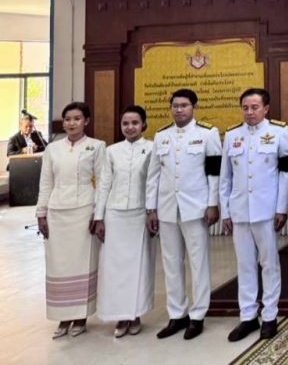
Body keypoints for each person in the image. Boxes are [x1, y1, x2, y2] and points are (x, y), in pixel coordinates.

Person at [145, 88, 223, 341]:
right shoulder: (161, 136)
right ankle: (177, 314)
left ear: (194, 107)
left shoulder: (207, 133)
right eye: (175, 106)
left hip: (195, 208)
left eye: (184, 105)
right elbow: (153, 175)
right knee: (171, 263)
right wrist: (151, 208)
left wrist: (213, 204)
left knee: (198, 263)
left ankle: (198, 315)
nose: (179, 110)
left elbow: (214, 173)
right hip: (167, 208)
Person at [220, 88, 288, 342]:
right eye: (245, 108)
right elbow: (225, 177)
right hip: (240, 211)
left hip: (266, 210)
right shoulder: (232, 135)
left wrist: (282, 208)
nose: (250, 112)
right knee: (245, 265)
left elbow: (286, 174)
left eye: (254, 107)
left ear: (266, 108)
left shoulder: (279, 132)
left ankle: (270, 315)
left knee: (269, 264)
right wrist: (226, 211)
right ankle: (248, 316)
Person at [36, 102, 107, 339]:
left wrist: (98, 214)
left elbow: (102, 182)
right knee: (58, 265)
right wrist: (41, 213)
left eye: (77, 119)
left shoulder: (97, 146)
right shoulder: (53, 149)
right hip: (57, 212)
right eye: (67, 119)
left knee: (83, 263)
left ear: (86, 121)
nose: (71, 123)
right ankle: (63, 317)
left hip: (84, 211)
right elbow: (46, 182)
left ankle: (80, 317)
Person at [93, 105, 157, 337]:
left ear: (144, 125)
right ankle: (120, 316)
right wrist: (99, 217)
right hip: (115, 214)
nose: (130, 127)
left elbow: (154, 182)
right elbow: (104, 184)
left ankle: (135, 314)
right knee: (115, 268)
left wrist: (152, 211)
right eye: (125, 123)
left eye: (135, 123)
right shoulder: (111, 151)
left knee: (139, 266)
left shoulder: (152, 148)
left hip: (140, 214)